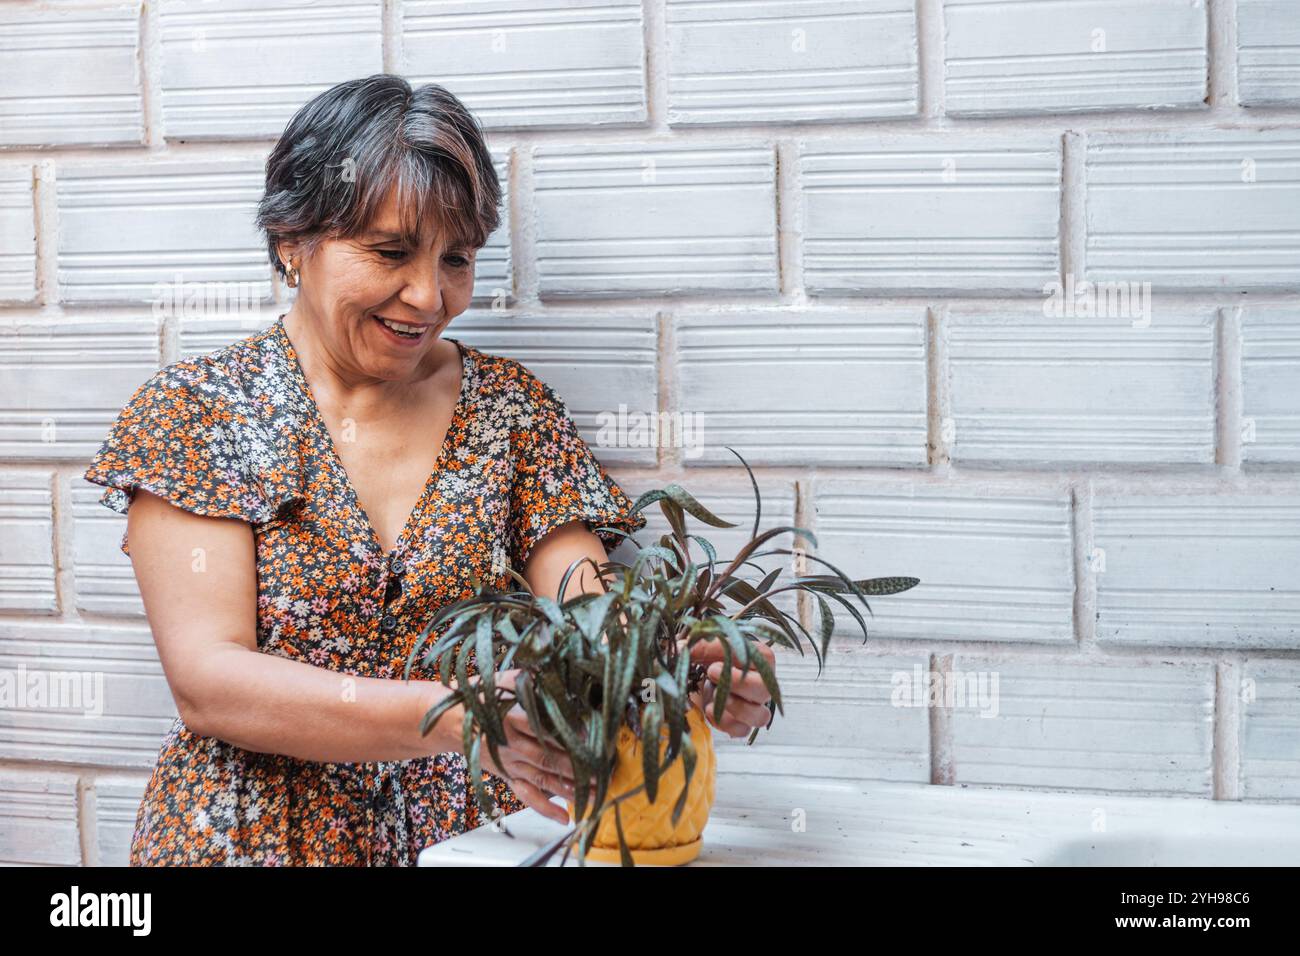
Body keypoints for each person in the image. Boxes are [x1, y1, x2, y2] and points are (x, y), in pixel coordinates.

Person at [83, 74, 775, 866]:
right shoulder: (198, 412)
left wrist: (678, 667)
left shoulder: (509, 410)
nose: (428, 294)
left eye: (457, 258)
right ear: (290, 240)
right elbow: (210, 683)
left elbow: (586, 615)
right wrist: (460, 714)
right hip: (250, 837)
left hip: (471, 843)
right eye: (389, 252)